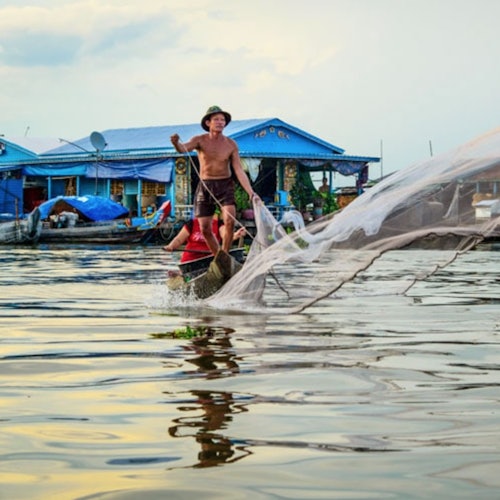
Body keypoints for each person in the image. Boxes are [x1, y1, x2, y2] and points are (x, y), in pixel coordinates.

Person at [170, 105, 257, 256]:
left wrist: (250, 192)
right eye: (216, 119)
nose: (220, 122)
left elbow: (238, 170)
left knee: (230, 220)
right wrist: (176, 143)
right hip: (205, 186)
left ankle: (225, 253)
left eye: (222, 120)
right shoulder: (199, 140)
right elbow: (183, 149)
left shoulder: (231, 144)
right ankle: (218, 256)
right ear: (208, 123)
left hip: (225, 184)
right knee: (204, 228)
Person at [163, 214, 246, 264]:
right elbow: (178, 239)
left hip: (210, 260)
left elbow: (226, 236)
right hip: (190, 261)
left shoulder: (218, 224)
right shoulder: (192, 223)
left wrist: (236, 235)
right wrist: (171, 246)